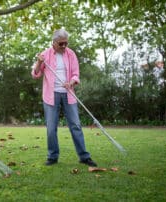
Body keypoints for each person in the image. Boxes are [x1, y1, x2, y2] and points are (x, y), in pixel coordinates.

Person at [31, 29, 97, 167]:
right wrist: (38, 62)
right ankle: (52, 157)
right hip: (51, 95)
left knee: (76, 125)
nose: (64, 46)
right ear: (54, 42)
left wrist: (71, 83)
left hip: (69, 94)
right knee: (51, 128)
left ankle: (84, 156)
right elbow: (35, 74)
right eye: (61, 44)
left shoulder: (71, 54)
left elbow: (76, 74)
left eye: (66, 43)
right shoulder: (45, 54)